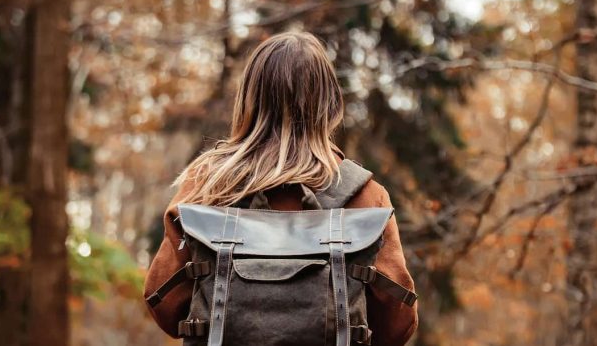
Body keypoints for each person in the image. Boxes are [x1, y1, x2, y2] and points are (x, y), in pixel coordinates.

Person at [144, 31, 418, 345]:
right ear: (327, 101)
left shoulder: (206, 186)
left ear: (249, 97)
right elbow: (399, 323)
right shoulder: (365, 195)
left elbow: (162, 303)